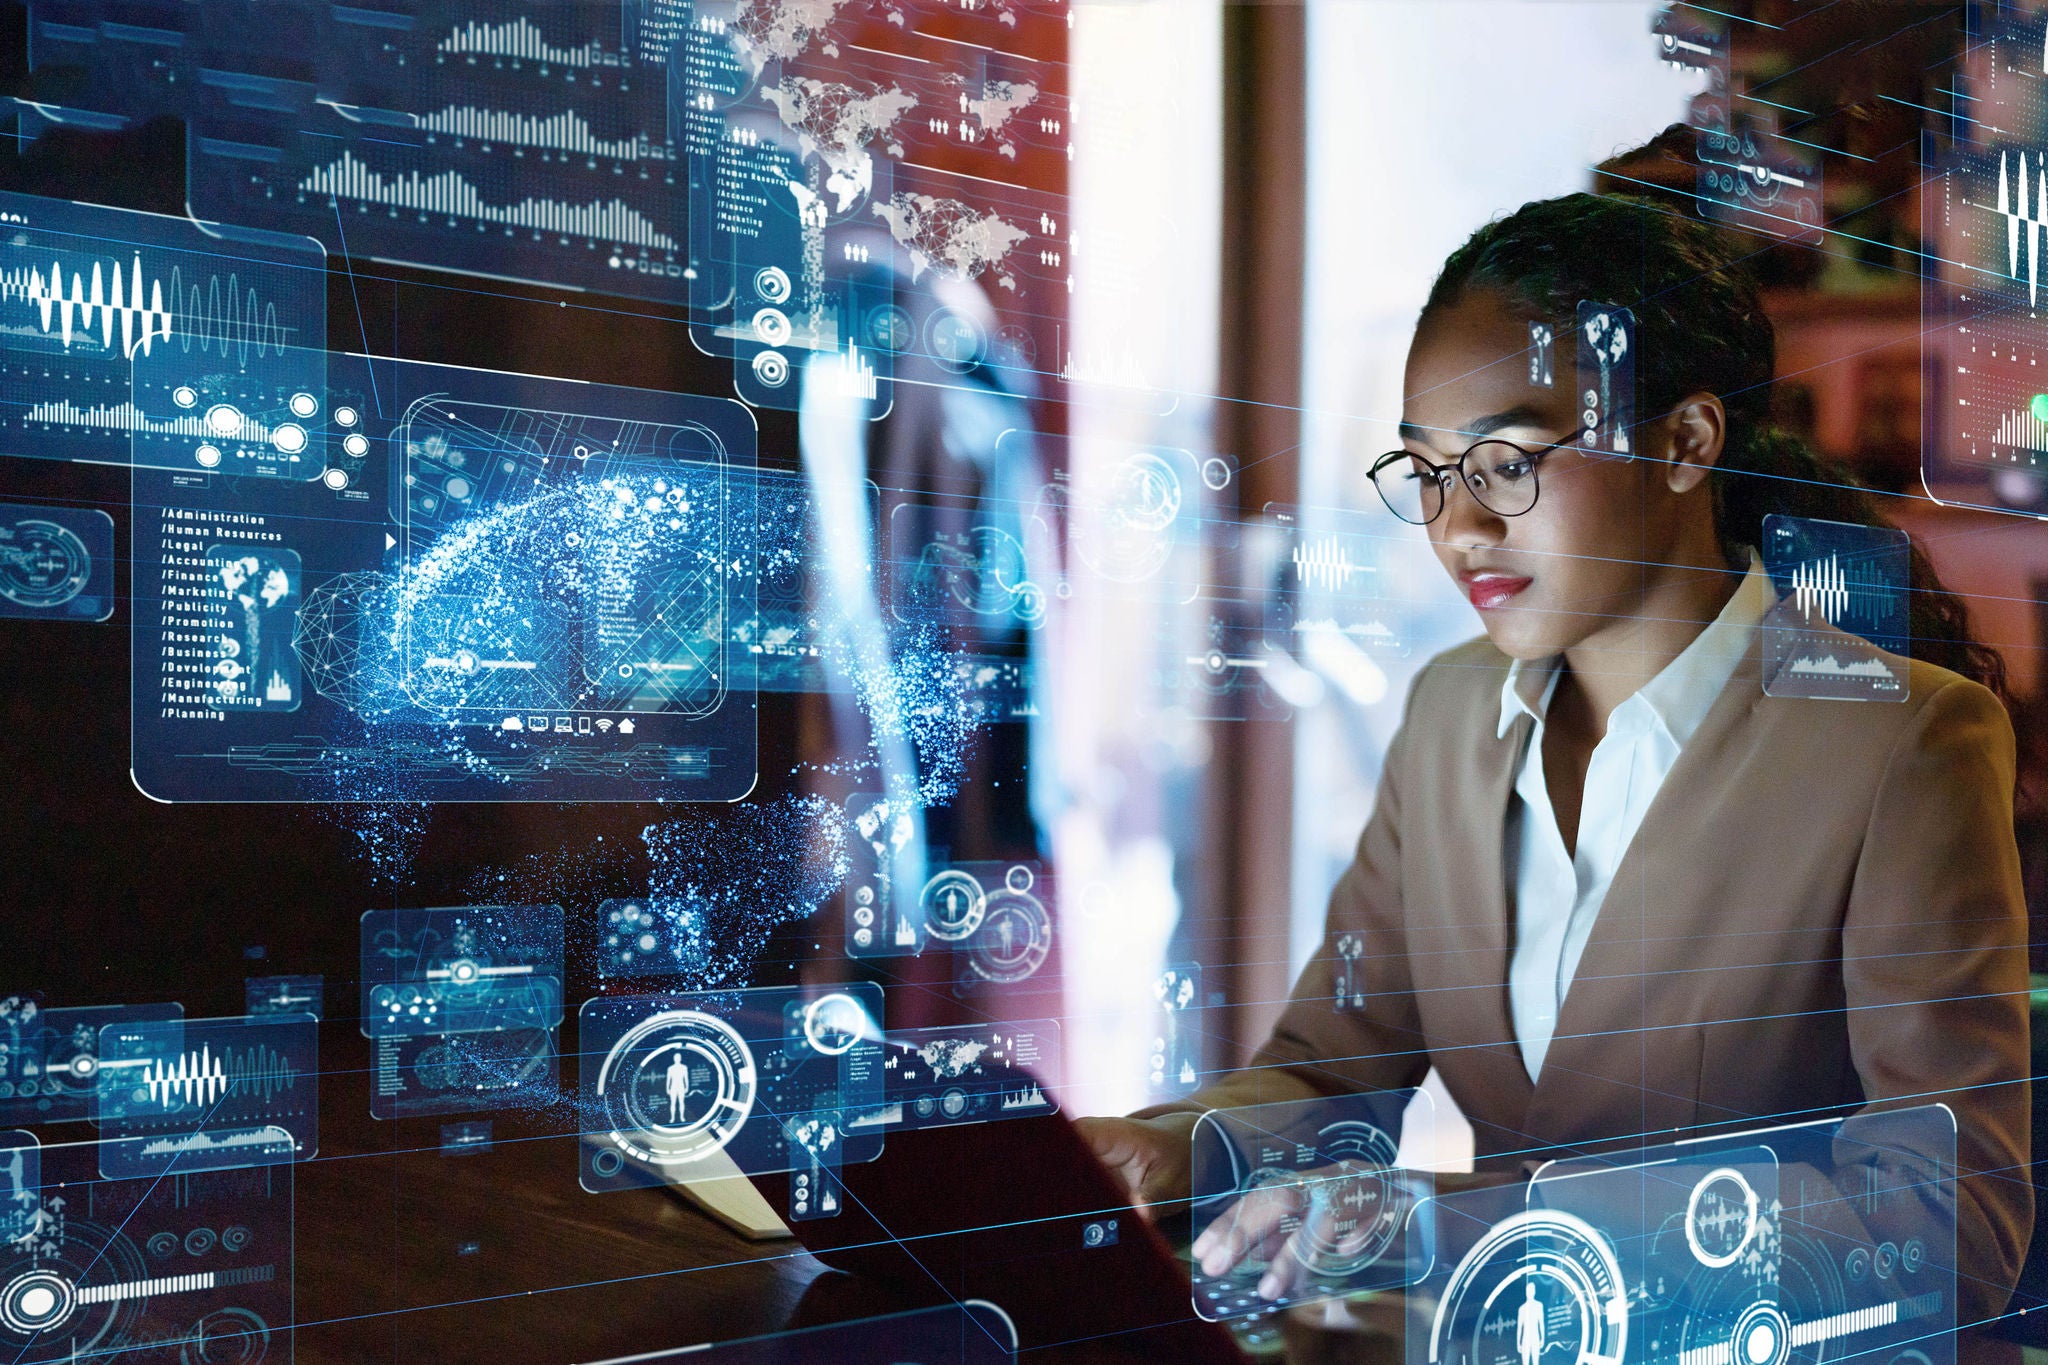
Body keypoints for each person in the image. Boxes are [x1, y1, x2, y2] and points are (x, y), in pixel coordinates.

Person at [1075, 192, 2033, 1330]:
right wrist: (1169, 1149)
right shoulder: (1447, 714)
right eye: (1427, 472)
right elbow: (1334, 1068)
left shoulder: (1899, 743)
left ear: (1683, 445)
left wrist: (1453, 1224)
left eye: (1508, 463)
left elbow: (1942, 1226)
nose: (1457, 527)